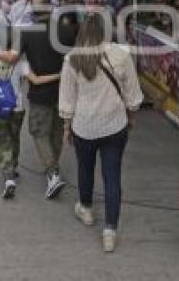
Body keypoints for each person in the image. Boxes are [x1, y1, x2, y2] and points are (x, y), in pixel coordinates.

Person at [59, 13, 143, 253]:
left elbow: (67, 99)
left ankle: (85, 209)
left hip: (84, 126)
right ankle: (110, 230)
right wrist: (133, 116)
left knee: (85, 169)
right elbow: (132, 93)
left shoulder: (72, 59)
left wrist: (66, 126)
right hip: (115, 125)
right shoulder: (121, 54)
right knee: (112, 176)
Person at [0, 0, 67, 199]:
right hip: (64, 91)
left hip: (40, 93)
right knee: (56, 131)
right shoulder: (66, 30)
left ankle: (53, 174)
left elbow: (12, 57)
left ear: (33, 13)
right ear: (51, 9)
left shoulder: (26, 32)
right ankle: (53, 166)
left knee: (39, 131)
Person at [0, 53, 59, 199]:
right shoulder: (22, 63)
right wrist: (58, 75)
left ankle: (9, 177)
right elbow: (36, 81)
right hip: (17, 108)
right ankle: (13, 166)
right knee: (14, 139)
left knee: (2, 143)